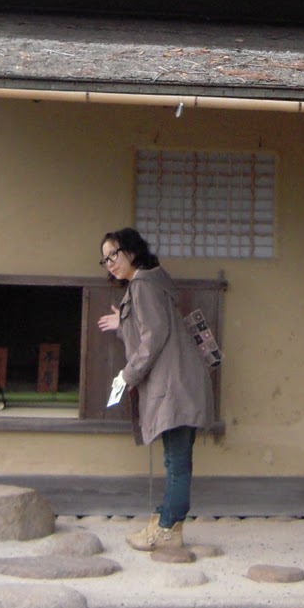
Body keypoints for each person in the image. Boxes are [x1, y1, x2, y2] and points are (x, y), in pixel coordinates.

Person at [97, 227, 214, 551]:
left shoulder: (142, 285)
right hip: (179, 383)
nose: (110, 263)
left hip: (173, 386)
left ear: (132, 251)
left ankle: (167, 529)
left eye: (114, 254)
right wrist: (124, 324)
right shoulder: (150, 283)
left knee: (176, 462)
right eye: (105, 259)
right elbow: (151, 329)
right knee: (175, 459)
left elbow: (153, 337)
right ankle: (166, 521)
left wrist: (128, 375)